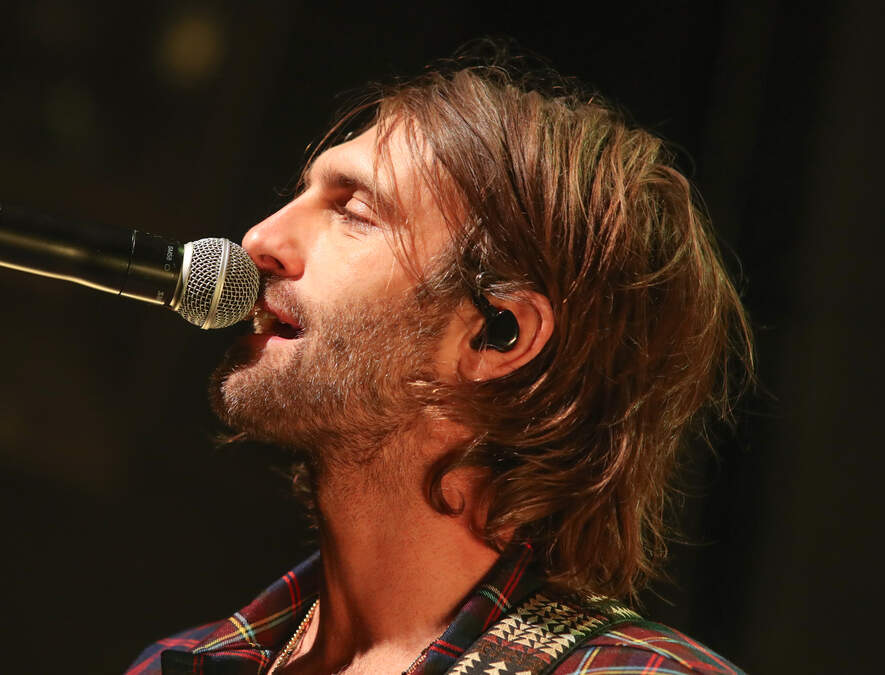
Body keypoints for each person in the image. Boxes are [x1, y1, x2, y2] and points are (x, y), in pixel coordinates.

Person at [127, 52, 752, 675]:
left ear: (496, 335)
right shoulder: (172, 665)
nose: (260, 239)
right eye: (302, 196)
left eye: (355, 212)